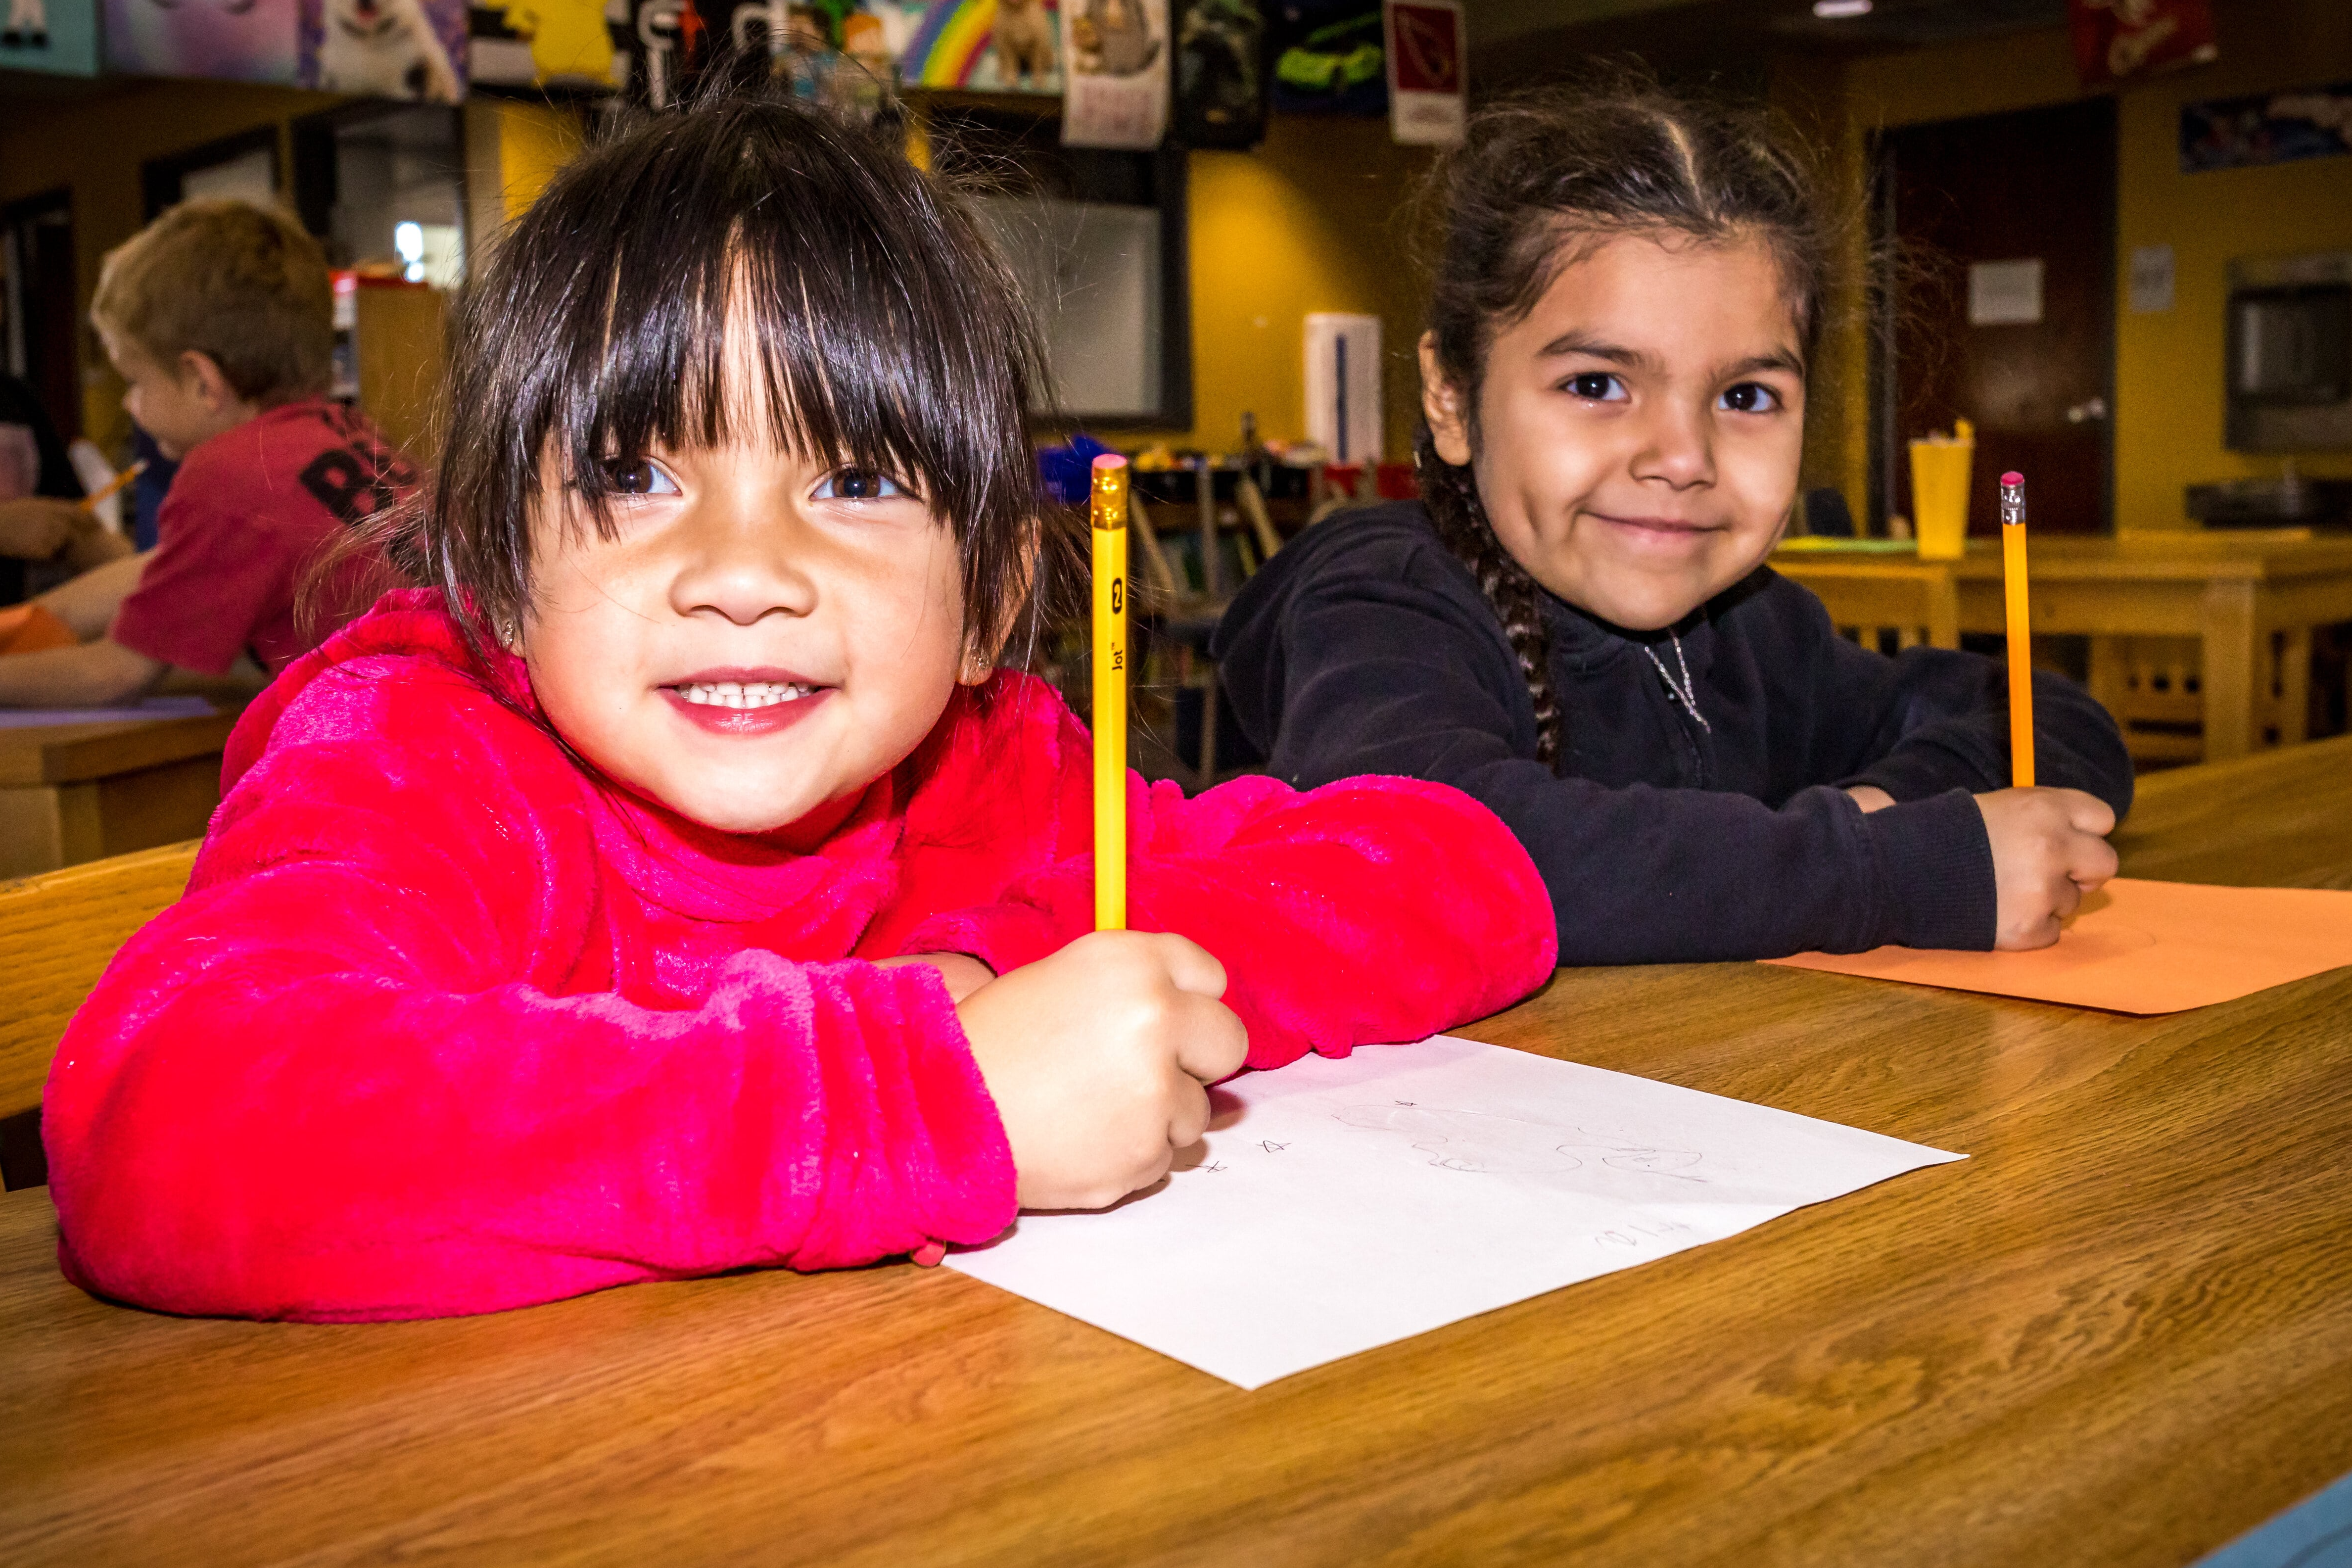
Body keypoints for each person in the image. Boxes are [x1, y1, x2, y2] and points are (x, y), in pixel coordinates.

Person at [44, 94, 1557, 1323]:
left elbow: (1461, 873)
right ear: (494, 570)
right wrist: (931, 1088)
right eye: (636, 477)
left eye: (852, 479)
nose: (747, 572)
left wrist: (1045, 993)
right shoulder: (415, 758)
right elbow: (171, 1123)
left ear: (991, 604)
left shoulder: (991, 761)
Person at [1214, 81, 2134, 965]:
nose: (1681, 455)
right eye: (1594, 385)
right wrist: (1884, 868)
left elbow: (2051, 723)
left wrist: (1876, 806)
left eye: (1744, 394)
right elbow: (1429, 850)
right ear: (1450, 398)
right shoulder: (1379, 599)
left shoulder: (1752, 627)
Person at [0, 200, 415, 708]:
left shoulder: (230, 474)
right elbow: (161, 571)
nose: (130, 404)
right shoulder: (344, 431)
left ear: (202, 382)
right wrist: (36, 618)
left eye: (136, 381)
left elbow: (114, 674)